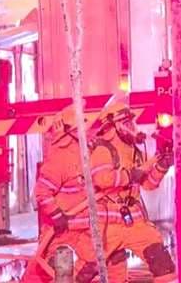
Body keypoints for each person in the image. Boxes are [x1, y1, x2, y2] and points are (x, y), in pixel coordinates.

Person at [24, 104, 128, 282]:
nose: (86, 132)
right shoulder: (60, 158)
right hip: (62, 232)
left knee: (98, 260)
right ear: (70, 130)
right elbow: (42, 192)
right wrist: (57, 215)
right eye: (81, 127)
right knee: (49, 272)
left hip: (81, 229)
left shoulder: (83, 154)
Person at [90, 95, 176, 282]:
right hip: (107, 228)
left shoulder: (135, 151)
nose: (132, 128)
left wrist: (161, 166)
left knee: (163, 265)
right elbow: (102, 179)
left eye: (132, 123)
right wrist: (131, 175)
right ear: (113, 127)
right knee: (91, 272)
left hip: (134, 223)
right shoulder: (103, 150)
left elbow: (147, 184)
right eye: (126, 123)